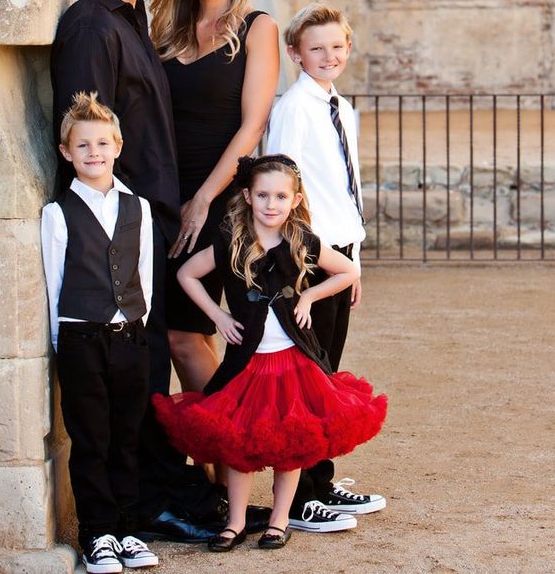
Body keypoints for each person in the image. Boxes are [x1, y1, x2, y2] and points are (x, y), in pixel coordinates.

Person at [49, 0, 227, 543]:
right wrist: (114, 229)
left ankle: (163, 488)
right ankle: (152, 502)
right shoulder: (91, 27)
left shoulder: (132, 21)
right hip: (122, 228)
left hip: (152, 219)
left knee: (149, 364)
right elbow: (82, 131)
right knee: (140, 369)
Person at [152, 155, 387, 552]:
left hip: (294, 363)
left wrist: (310, 295)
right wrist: (217, 315)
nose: (271, 204)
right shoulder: (230, 242)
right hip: (248, 365)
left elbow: (348, 271)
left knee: (291, 443)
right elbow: (186, 274)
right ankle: (236, 522)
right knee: (241, 445)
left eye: (280, 196)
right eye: (262, 195)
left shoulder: (303, 241)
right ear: (247, 196)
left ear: (295, 200)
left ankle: (279, 521)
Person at [266, 4, 387, 531]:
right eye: (316, 48)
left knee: (326, 376)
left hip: (340, 255)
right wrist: (303, 265)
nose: (329, 56)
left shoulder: (342, 107)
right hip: (309, 260)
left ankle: (319, 479)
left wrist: (354, 262)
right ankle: (297, 501)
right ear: (295, 53)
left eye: (337, 46)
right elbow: (280, 186)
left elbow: (344, 188)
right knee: (308, 379)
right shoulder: (294, 108)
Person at [149, 0, 279, 397]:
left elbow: (254, 125)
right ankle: (212, 465)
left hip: (219, 195)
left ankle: (229, 452)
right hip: (165, 192)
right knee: (184, 331)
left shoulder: (256, 27)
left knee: (183, 333)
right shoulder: (168, 30)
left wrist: (204, 198)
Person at [41, 92, 159, 573]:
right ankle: (98, 534)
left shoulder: (139, 207)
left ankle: (128, 529)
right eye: (83, 145)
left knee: (126, 437)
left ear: (118, 145)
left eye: (103, 143)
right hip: (81, 340)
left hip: (129, 337)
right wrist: (63, 341)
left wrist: (137, 321)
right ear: (67, 152)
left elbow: (144, 274)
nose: (94, 152)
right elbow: (54, 285)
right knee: (91, 440)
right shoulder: (58, 213)